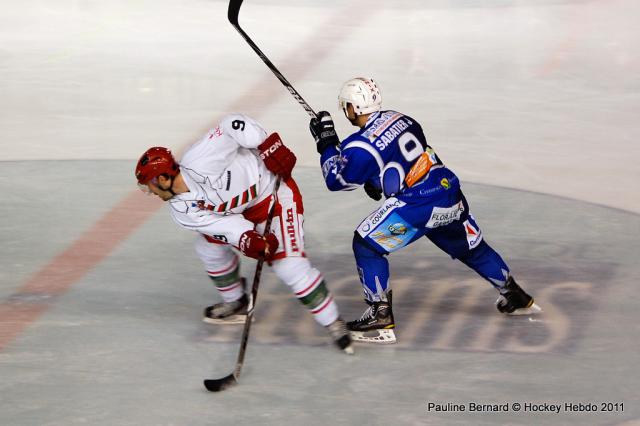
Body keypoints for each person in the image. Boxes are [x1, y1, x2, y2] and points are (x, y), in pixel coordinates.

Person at [309, 77, 540, 344]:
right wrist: (375, 181)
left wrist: (326, 144)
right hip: (448, 191)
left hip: (419, 205)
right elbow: (398, 158)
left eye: (345, 106)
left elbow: (337, 181)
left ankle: (379, 314)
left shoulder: (360, 146)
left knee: (367, 245)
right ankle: (513, 293)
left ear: (352, 108)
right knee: (473, 249)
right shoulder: (401, 119)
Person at [135, 113, 353, 354]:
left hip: (274, 193)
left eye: (150, 186)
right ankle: (235, 301)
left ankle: (334, 322)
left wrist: (268, 146)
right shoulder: (181, 211)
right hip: (242, 213)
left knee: (289, 265)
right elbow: (226, 227)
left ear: (163, 178)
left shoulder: (199, 158)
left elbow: (232, 124)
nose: (150, 192)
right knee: (208, 247)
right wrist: (250, 240)